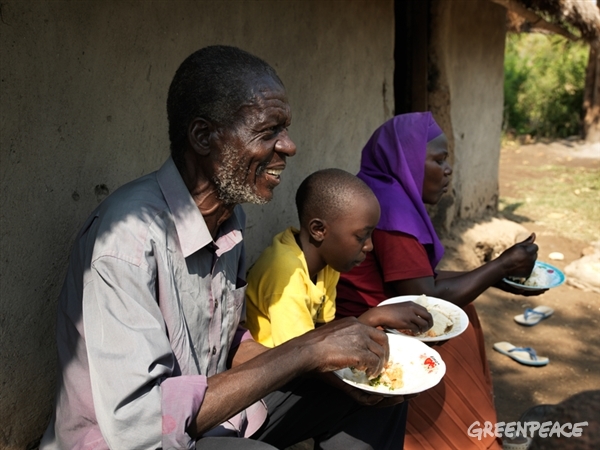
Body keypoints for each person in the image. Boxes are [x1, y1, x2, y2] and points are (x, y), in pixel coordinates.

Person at [40, 46, 403, 450]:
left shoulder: (229, 220)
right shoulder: (128, 241)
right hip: (137, 441)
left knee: (378, 397)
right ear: (203, 137)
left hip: (213, 418)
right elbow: (140, 427)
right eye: (269, 132)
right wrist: (307, 350)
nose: (289, 146)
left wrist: (327, 363)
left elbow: (227, 345)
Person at [335, 112, 544, 450]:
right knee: (453, 331)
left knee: (465, 308)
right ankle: (461, 439)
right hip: (364, 319)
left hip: (385, 305)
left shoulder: (385, 191)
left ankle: (476, 431)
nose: (448, 170)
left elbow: (421, 278)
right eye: (438, 160)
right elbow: (425, 294)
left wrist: (497, 276)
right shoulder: (392, 212)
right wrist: (502, 265)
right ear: (407, 161)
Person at [245, 168, 433, 348]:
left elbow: (324, 329)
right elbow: (302, 355)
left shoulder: (326, 261)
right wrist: (374, 317)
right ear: (319, 230)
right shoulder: (285, 275)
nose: (369, 246)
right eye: (361, 237)